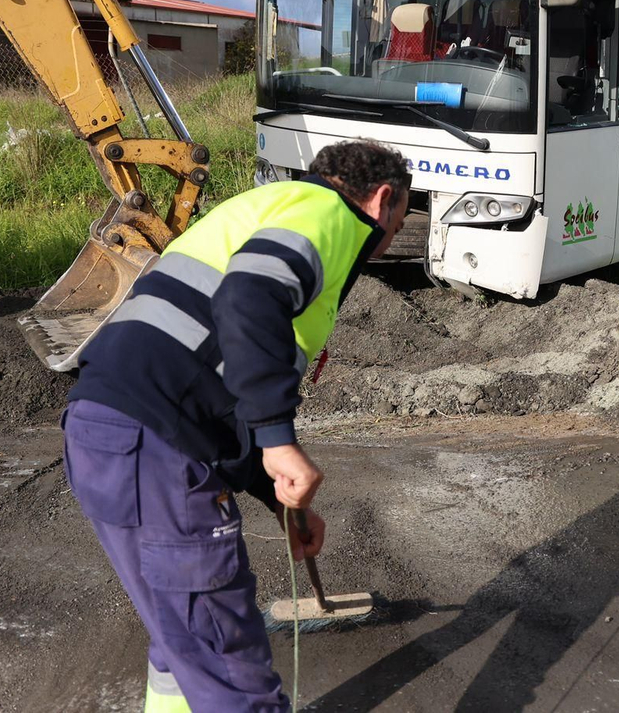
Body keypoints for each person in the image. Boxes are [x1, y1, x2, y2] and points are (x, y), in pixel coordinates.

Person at [63, 140, 412, 712]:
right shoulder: (327, 216)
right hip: (157, 447)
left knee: (185, 642)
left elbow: (215, 383)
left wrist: (279, 501)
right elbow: (249, 298)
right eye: (400, 217)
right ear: (381, 200)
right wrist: (279, 441)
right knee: (232, 674)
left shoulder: (266, 207)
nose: (394, 233)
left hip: (108, 433)